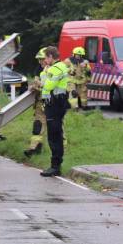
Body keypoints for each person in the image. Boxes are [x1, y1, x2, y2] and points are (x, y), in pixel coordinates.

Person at [40, 46, 70, 177]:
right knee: (56, 134)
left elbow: (48, 85)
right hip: (59, 102)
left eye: (46, 57)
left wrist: (44, 80)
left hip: (54, 104)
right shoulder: (62, 66)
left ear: (51, 56)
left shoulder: (55, 68)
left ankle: (55, 166)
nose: (45, 60)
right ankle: (56, 165)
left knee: (54, 136)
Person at [24, 48, 48, 157]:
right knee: (38, 125)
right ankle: (34, 148)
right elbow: (36, 84)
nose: (40, 62)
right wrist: (33, 86)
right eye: (39, 60)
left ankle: (62, 151)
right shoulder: (39, 70)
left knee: (57, 130)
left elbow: (46, 87)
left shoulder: (54, 71)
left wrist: (36, 86)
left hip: (52, 104)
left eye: (41, 59)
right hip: (40, 104)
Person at [65, 47, 91, 111]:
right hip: (71, 80)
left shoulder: (85, 62)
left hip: (81, 81)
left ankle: (84, 106)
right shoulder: (68, 61)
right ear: (73, 54)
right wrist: (70, 71)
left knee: (83, 94)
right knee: (73, 94)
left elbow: (89, 70)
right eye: (77, 55)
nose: (78, 56)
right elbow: (64, 69)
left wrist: (85, 66)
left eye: (80, 55)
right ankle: (74, 108)